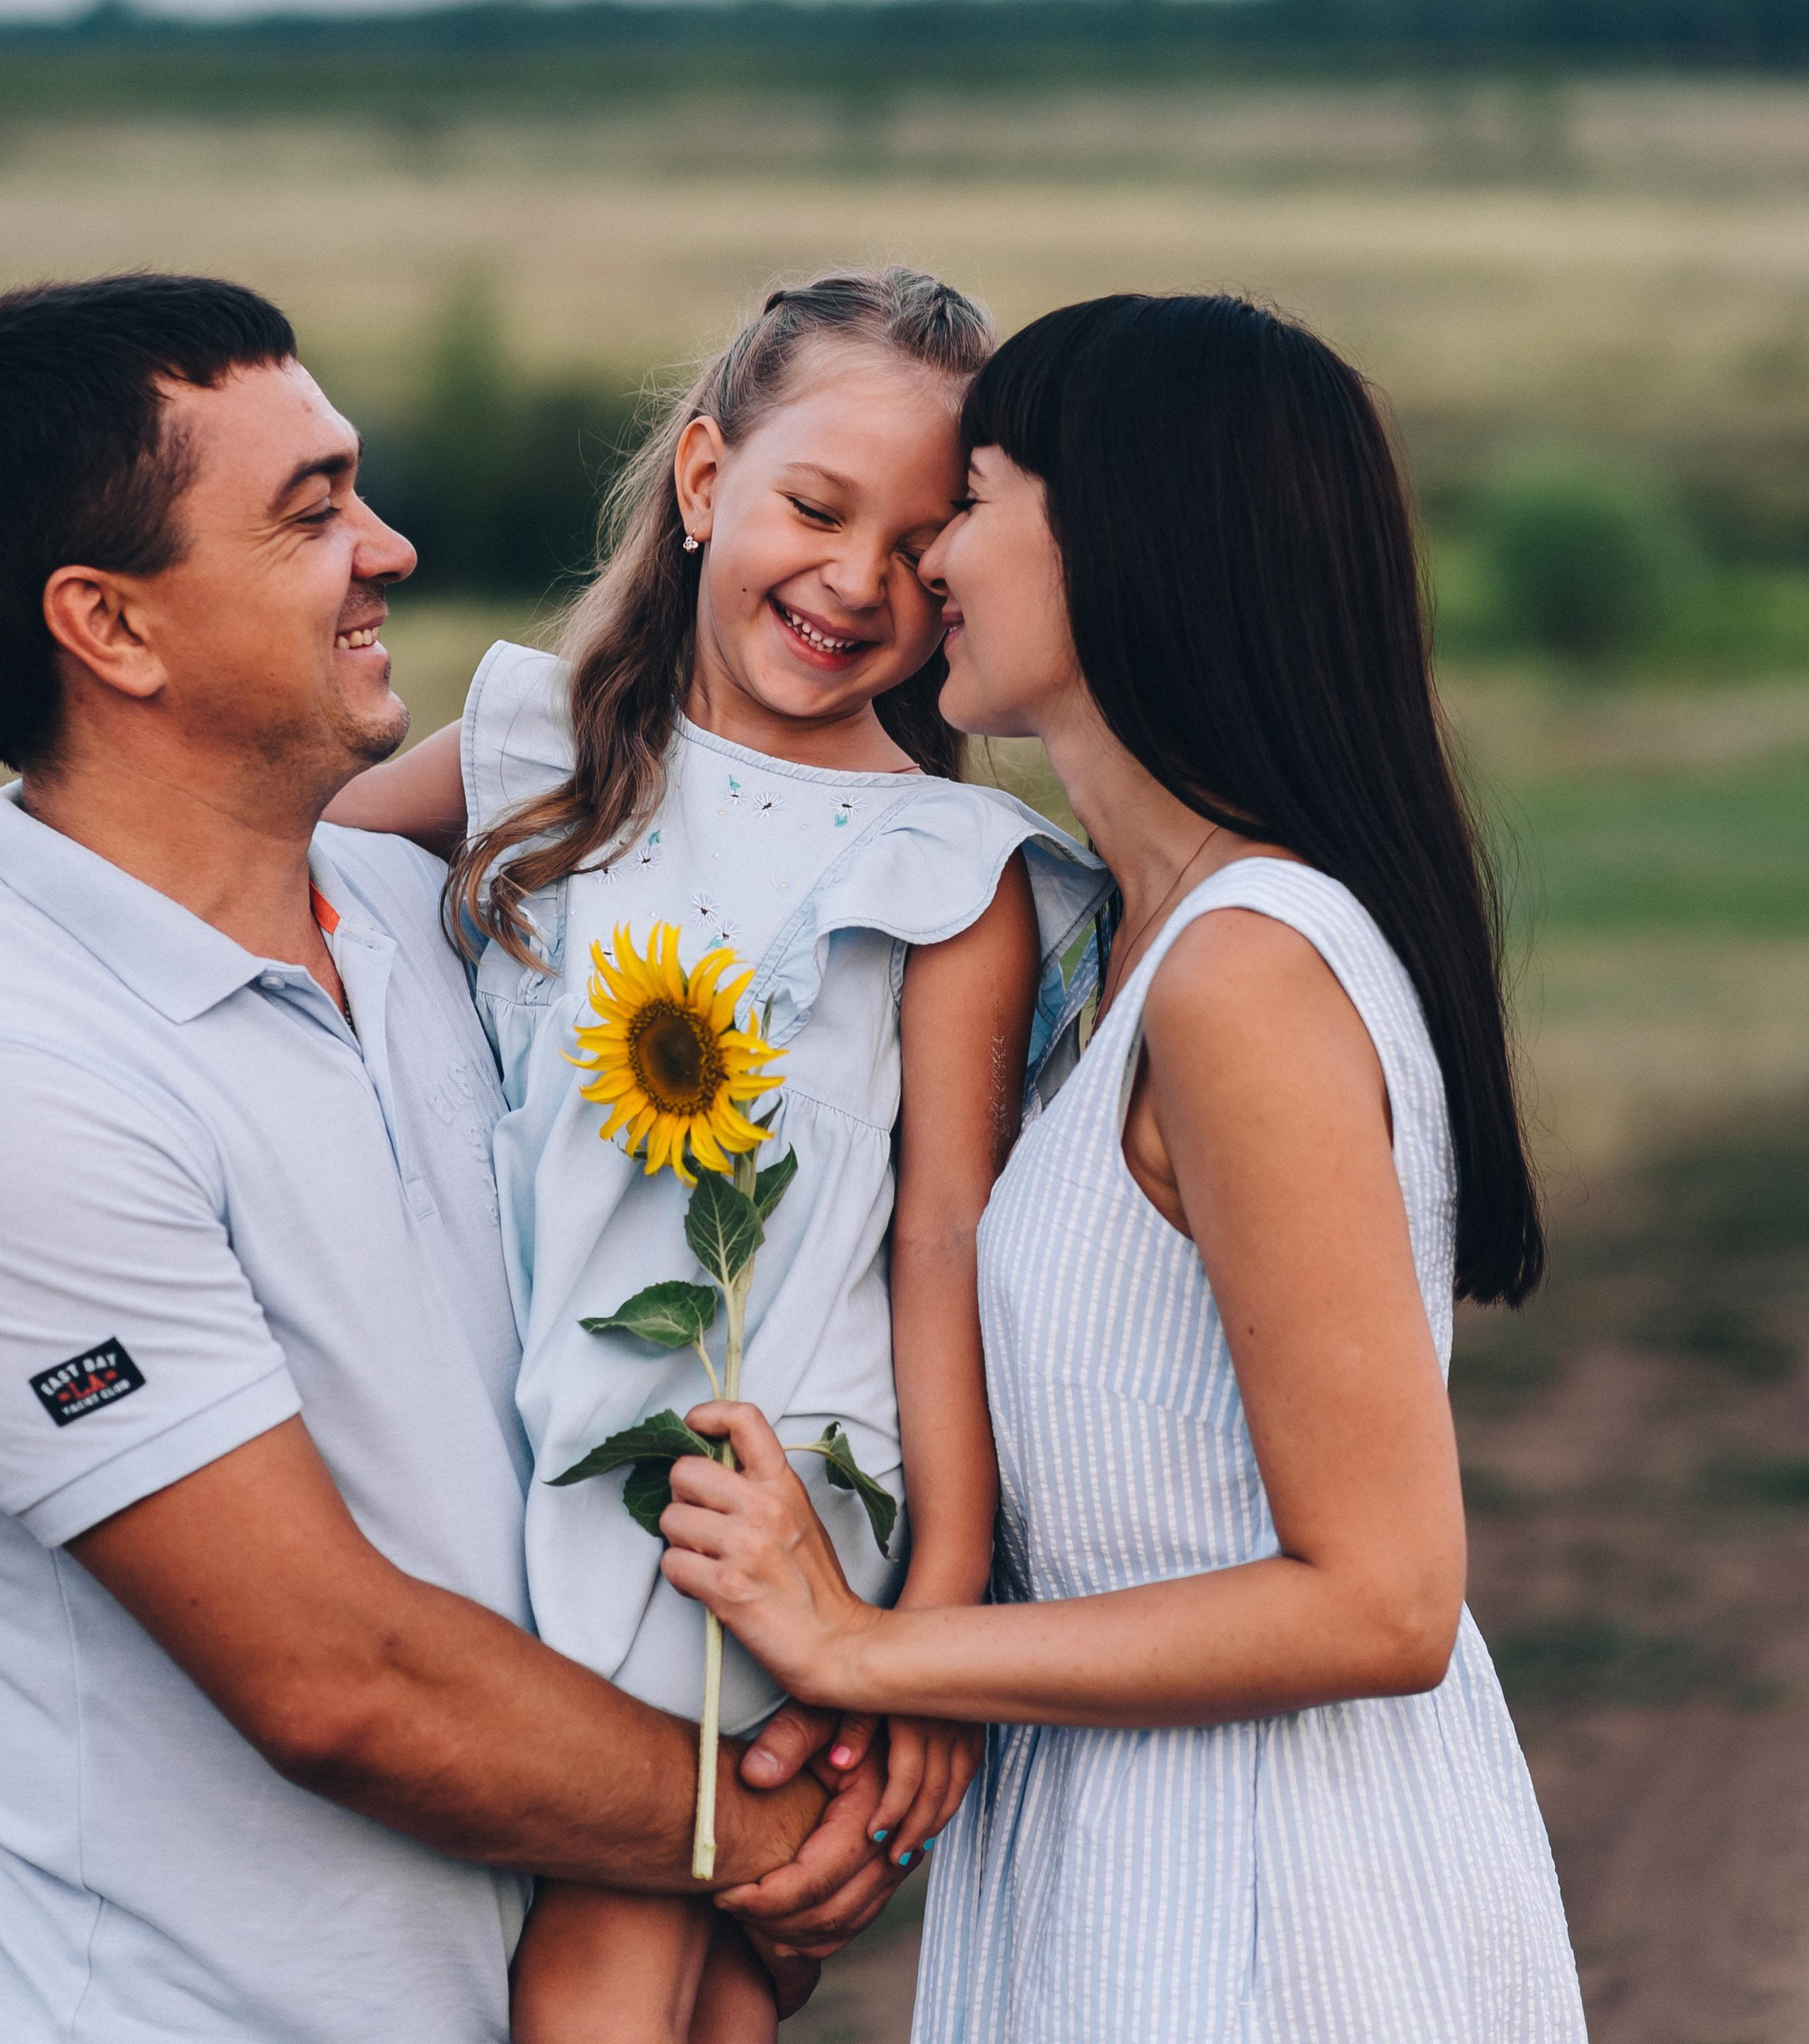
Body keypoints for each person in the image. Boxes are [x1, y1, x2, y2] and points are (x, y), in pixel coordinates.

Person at [654, 292, 1591, 2039]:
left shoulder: (1243, 971)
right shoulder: (1117, 948)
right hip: (1116, 1854)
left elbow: (1382, 1595)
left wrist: (864, 1647)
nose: (926, 556)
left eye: (977, 497)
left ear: (1126, 549)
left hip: (1272, 1904)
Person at [0, 274, 905, 2044]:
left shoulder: (442, 922)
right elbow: (334, 1677)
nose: (390, 547)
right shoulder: (40, 1071)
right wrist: (765, 1827)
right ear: (110, 626)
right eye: (314, 508)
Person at [331, 268, 1107, 2044]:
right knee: (699, 1977)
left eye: (921, 551)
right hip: (532, 1443)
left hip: (770, 1486)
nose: (853, 581)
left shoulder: (947, 864)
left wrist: (923, 1632)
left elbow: (942, 1247)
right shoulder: (537, 753)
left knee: (632, 1952)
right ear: (701, 483)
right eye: (813, 507)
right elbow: (258, 884)